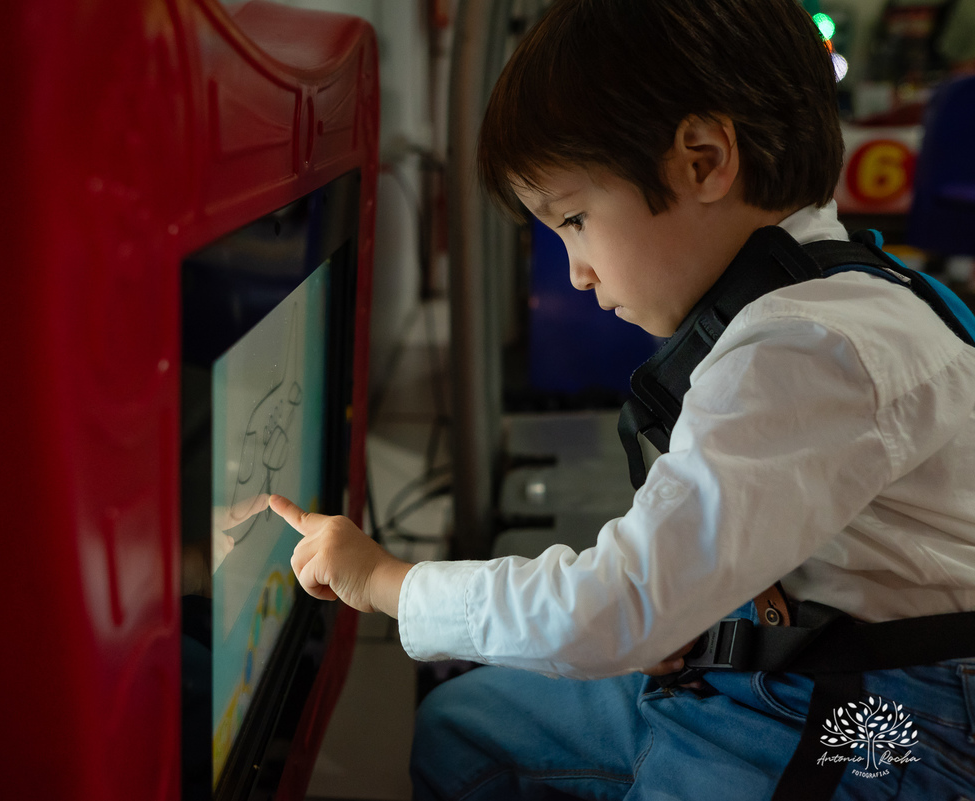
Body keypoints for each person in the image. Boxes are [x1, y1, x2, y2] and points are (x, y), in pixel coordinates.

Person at [269, 0, 975, 798]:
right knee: (465, 725)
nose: (576, 271)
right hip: (821, 661)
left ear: (705, 160)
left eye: (574, 218)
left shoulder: (804, 352)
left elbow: (619, 605)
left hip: (905, 730)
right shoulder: (839, 294)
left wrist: (386, 581)